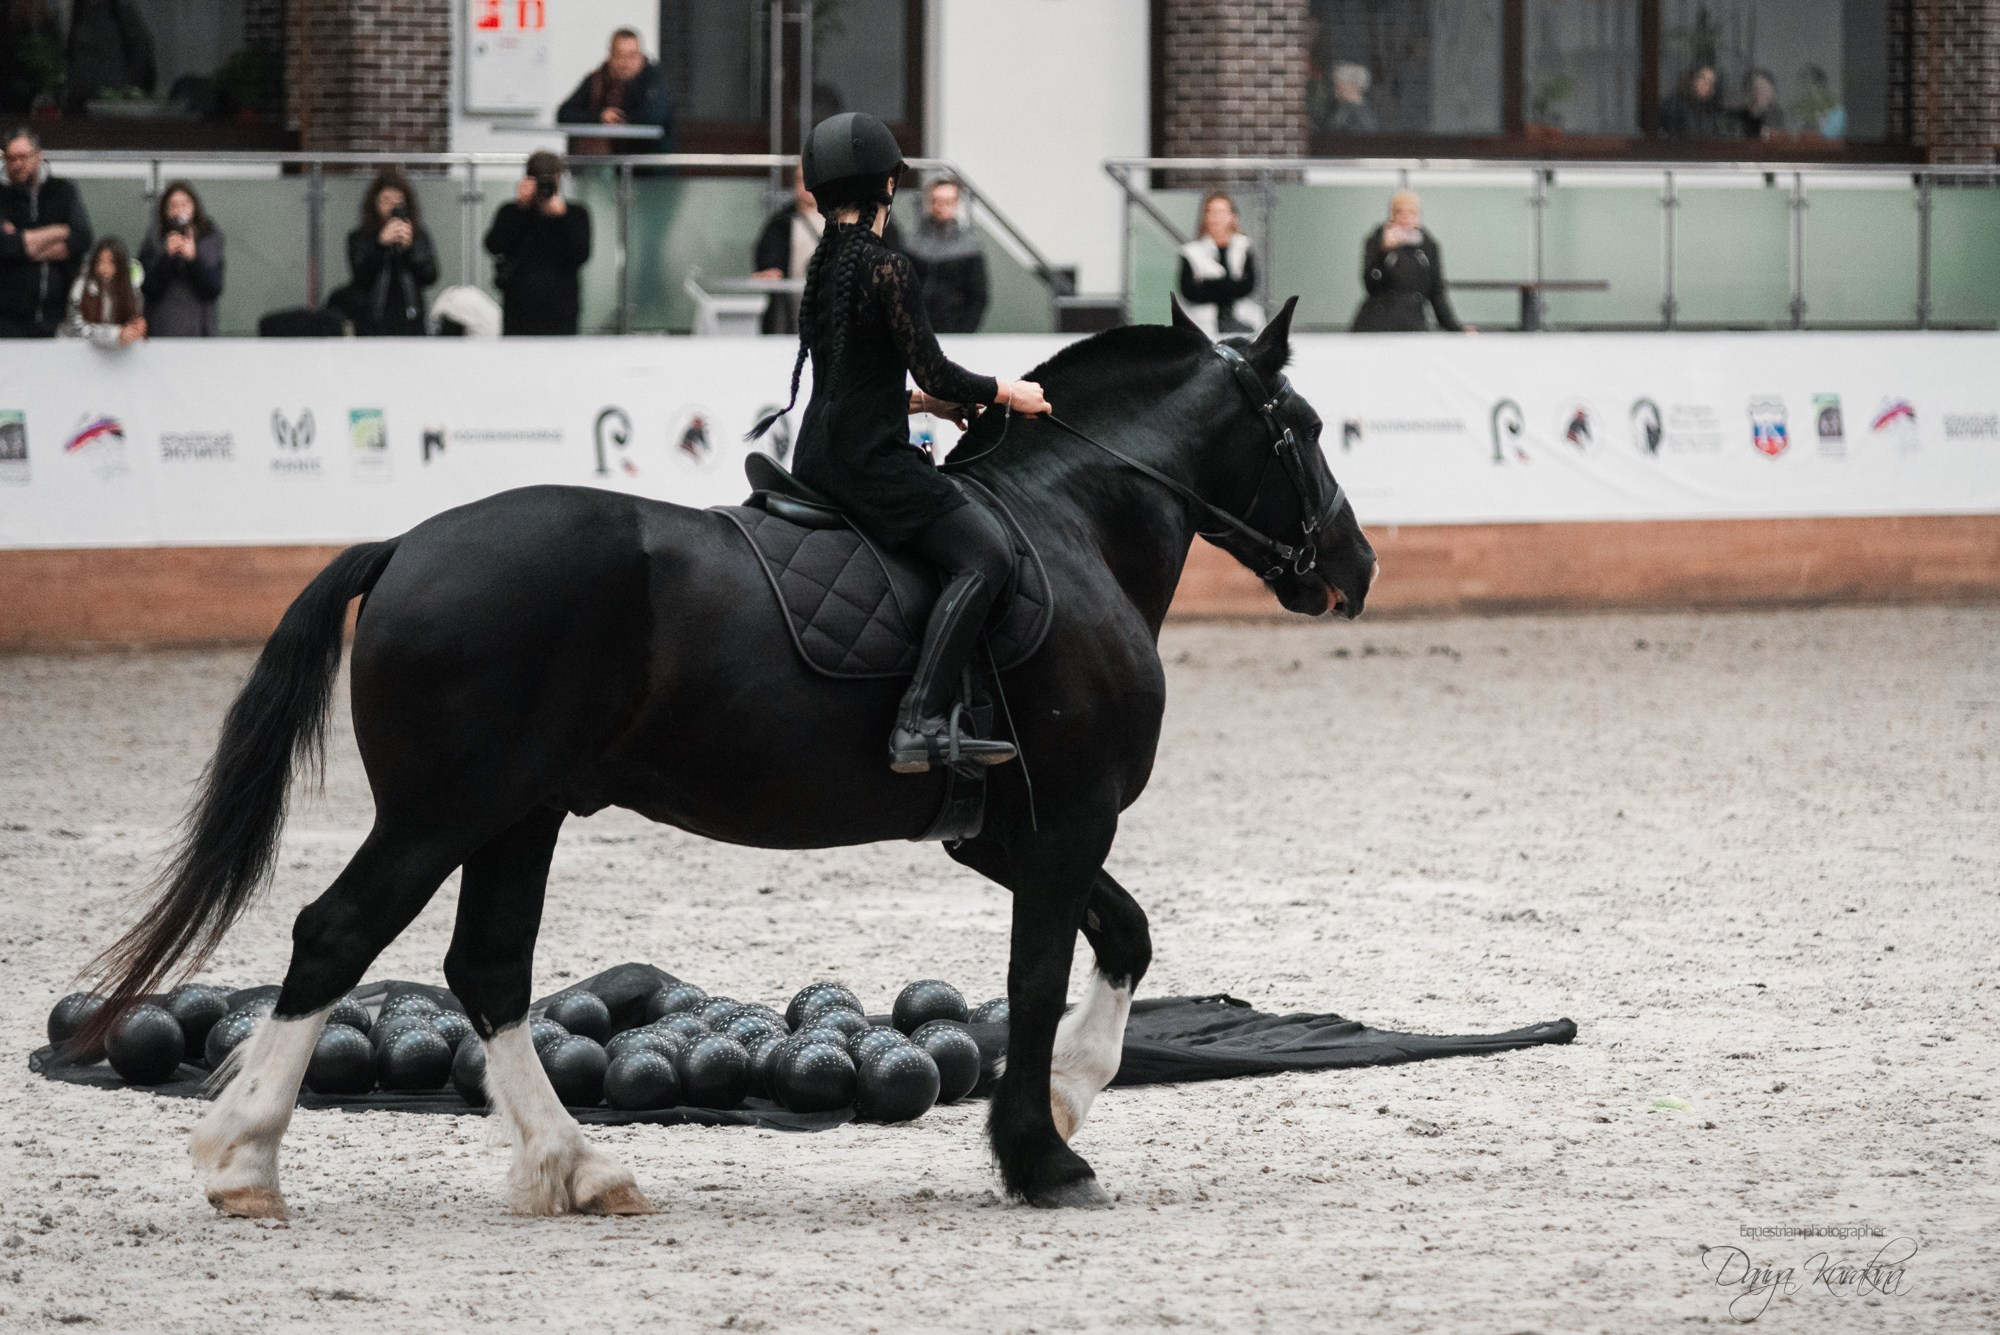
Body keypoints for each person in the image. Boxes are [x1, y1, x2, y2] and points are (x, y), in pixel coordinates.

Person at [748, 112, 1050, 774]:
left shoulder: (826, 265)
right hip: (868, 464)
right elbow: (935, 366)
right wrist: (1009, 391)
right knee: (987, 555)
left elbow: (855, 375)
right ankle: (918, 719)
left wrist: (924, 404)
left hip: (818, 454)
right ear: (888, 184)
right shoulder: (888, 267)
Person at [483, 150, 592, 336]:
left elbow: (581, 254)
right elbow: (493, 246)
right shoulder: (512, 211)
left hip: (561, 310)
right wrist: (521, 209)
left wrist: (561, 218)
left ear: (559, 179)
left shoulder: (575, 214)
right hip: (519, 309)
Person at [0, 126, 93, 337]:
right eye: (11, 158)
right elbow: (6, 246)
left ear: (38, 155)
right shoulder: (2, 197)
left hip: (57, 317)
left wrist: (24, 244)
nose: (17, 164)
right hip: (7, 320)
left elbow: (82, 238)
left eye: (22, 157)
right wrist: (59, 230)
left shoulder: (63, 190)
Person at [1351, 190, 1470, 333]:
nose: (1405, 217)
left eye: (1412, 212)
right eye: (1399, 212)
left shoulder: (1428, 246)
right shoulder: (1377, 240)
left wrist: (1456, 328)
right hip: (1376, 326)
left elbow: (1437, 292)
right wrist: (1383, 252)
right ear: (1392, 215)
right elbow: (1370, 285)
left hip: (1413, 326)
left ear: (1418, 215)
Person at [342, 167, 438, 337]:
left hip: (410, 319)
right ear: (375, 202)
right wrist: (380, 245)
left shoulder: (417, 234)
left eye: (398, 202)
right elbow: (360, 279)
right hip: (372, 320)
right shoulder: (360, 237)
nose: (392, 207)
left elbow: (430, 276)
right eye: (386, 200)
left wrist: (409, 249)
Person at [556, 28, 673, 157]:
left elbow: (653, 117)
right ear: (610, 56)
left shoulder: (653, 79)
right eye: (620, 55)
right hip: (609, 164)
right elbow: (564, 114)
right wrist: (600, 117)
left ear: (640, 56)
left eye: (632, 55)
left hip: (650, 166)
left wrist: (621, 119)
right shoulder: (597, 80)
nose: (626, 63)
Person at [902, 175, 988, 335]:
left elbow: (978, 298)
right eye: (936, 200)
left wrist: (964, 332)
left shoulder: (969, 247)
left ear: (957, 203)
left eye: (948, 201)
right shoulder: (911, 243)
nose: (941, 207)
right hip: (915, 330)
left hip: (954, 330)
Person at [137, 180, 224, 337]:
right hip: (162, 329)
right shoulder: (153, 241)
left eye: (185, 204)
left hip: (199, 331)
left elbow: (213, 288)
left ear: (195, 207)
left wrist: (193, 259)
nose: (179, 211)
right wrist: (167, 257)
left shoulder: (209, 239)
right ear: (165, 211)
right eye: (173, 206)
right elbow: (147, 288)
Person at [750, 162, 824, 334]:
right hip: (789, 321)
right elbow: (768, 257)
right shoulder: (781, 223)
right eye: (800, 180)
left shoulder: (850, 219)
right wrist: (770, 269)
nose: (807, 186)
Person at [1176, 190, 1262, 337]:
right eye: (1210, 211)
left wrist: (1208, 282)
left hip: (1243, 323)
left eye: (1221, 211)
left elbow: (1248, 286)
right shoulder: (1192, 252)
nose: (1216, 217)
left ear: (1232, 216)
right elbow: (1189, 292)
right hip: (1201, 325)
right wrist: (1230, 285)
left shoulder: (1244, 248)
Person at [59, 235, 145, 347]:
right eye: (100, 261)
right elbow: (76, 328)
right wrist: (115, 335)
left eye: (111, 262)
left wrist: (135, 330)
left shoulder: (132, 290)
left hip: (116, 355)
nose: (104, 268)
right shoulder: (82, 286)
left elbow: (134, 321)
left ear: (121, 265)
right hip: (75, 350)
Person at [1660, 64, 1726, 138]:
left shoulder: (1709, 108)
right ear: (1693, 80)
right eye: (1703, 79)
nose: (1708, 86)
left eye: (1712, 83)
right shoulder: (1674, 105)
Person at [1324, 62, 1377, 134]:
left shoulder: (1362, 116)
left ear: (1353, 86)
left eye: (1340, 88)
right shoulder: (1341, 107)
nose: (1336, 93)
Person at [1739, 68, 1786, 140]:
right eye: (1757, 89)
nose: (1759, 94)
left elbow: (1775, 135)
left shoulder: (1776, 114)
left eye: (1764, 90)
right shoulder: (1740, 117)